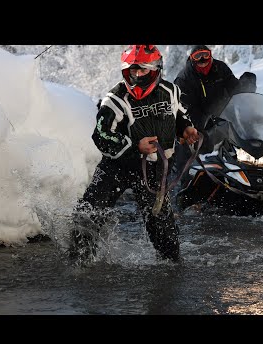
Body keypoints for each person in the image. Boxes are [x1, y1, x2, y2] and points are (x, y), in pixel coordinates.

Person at [69, 45, 199, 264]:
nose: (137, 76)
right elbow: (100, 136)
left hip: (154, 168)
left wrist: (185, 128)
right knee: (89, 213)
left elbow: (179, 115)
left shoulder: (171, 91)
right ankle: (77, 265)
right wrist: (134, 147)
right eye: (132, 71)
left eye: (142, 70)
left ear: (156, 69)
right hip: (116, 166)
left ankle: (171, 270)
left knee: (162, 227)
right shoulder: (114, 99)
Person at [172, 45, 256, 176]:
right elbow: (183, 109)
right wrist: (197, 128)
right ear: (192, 59)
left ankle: (246, 174)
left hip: (222, 119)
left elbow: (234, 89)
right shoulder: (184, 78)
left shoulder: (220, 68)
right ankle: (180, 187)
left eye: (205, 54)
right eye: (198, 56)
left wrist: (245, 88)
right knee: (185, 155)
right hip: (196, 122)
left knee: (241, 142)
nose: (202, 59)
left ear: (210, 55)